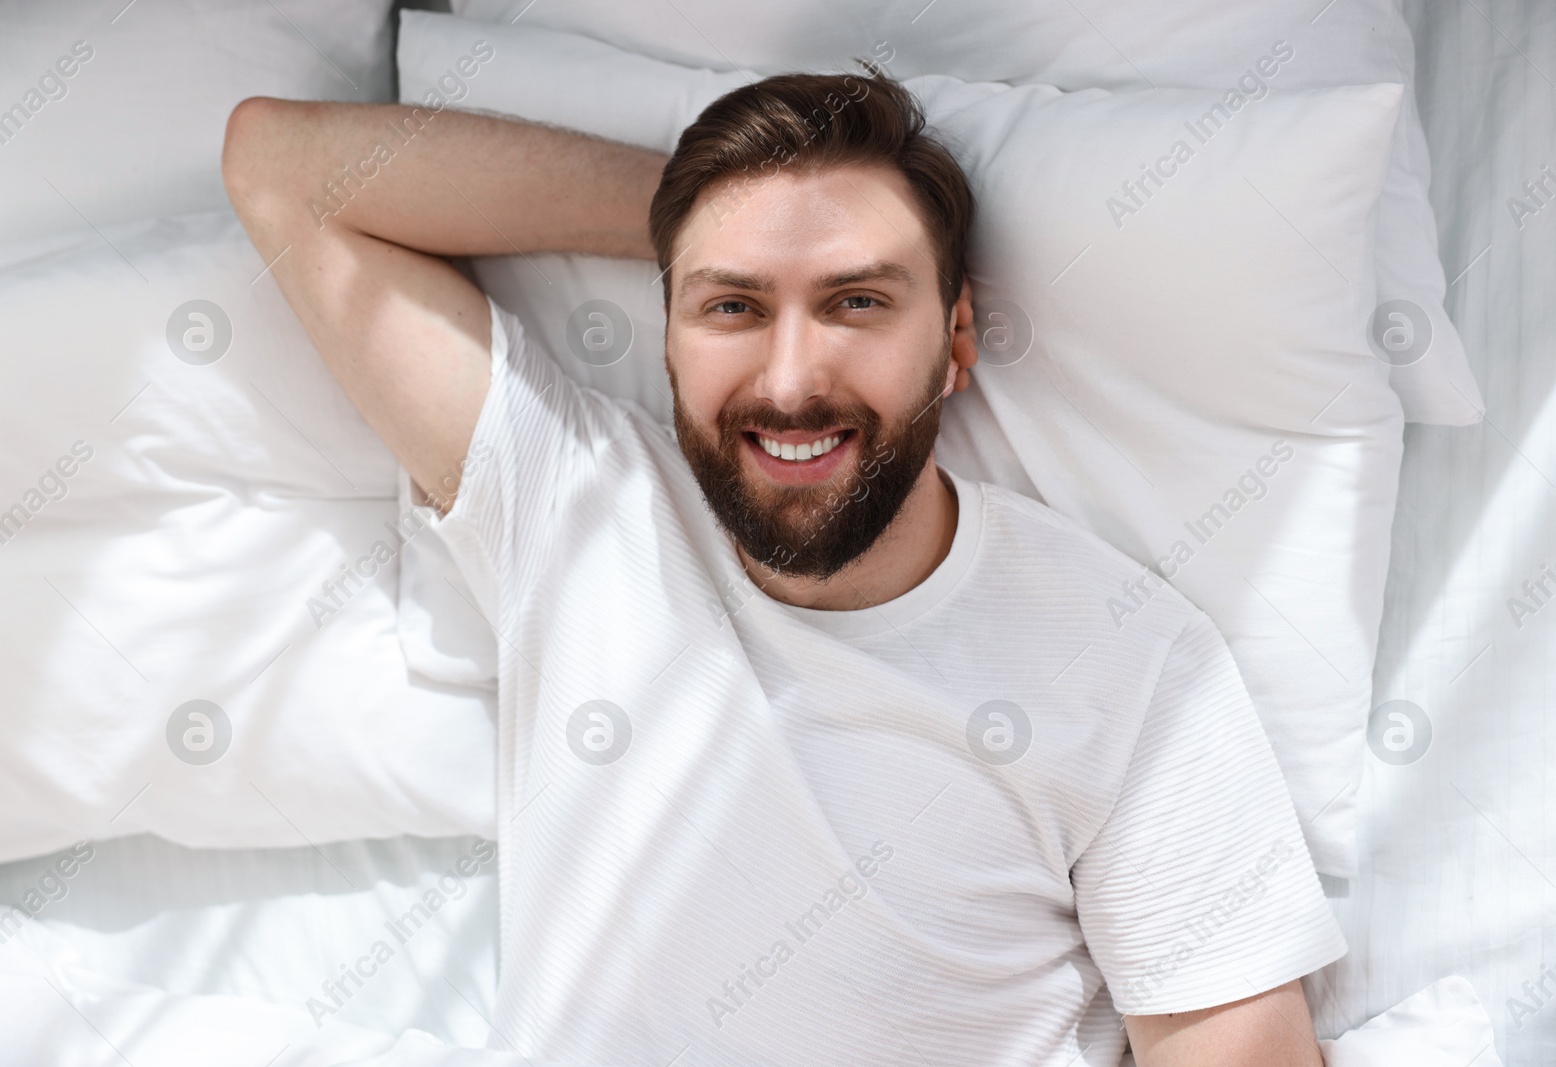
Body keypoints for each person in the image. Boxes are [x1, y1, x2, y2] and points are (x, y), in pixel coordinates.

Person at [222, 69, 1344, 1067]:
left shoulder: (1135, 665)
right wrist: (702, 216)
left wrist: (747, 246)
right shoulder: (575, 510)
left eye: (857, 299)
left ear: (956, 341)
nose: (792, 378)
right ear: (664, 333)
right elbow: (285, 169)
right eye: (733, 306)